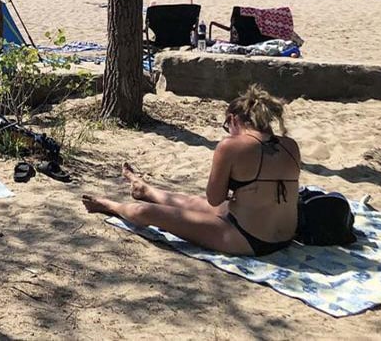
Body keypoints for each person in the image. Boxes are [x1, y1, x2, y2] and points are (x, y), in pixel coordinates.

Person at [83, 86, 301, 257]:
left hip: (249, 239)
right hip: (285, 235)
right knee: (191, 203)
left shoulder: (231, 146)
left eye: (227, 126)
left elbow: (215, 199)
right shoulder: (290, 145)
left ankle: (108, 205)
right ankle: (145, 188)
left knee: (146, 212)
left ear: (233, 120)